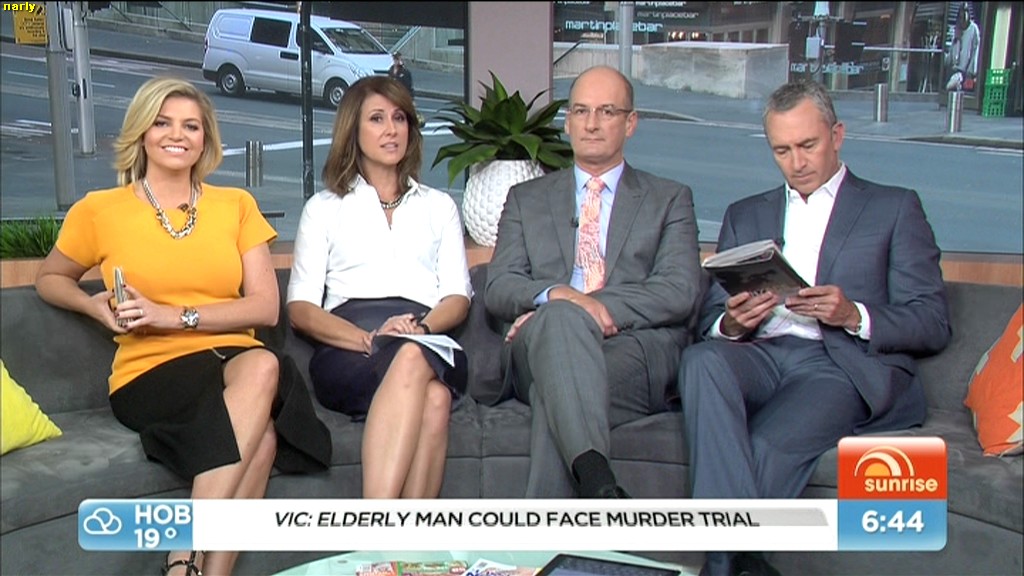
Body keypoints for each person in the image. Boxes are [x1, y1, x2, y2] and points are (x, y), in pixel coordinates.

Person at [34, 77, 331, 576]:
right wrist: (94, 305)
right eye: (163, 123)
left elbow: (265, 308)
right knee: (261, 424)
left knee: (263, 375)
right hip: (150, 373)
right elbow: (49, 278)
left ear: (205, 138)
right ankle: (189, 558)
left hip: (236, 365)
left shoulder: (235, 205)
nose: (177, 135)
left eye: (191, 126)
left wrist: (171, 315)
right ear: (142, 133)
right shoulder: (99, 210)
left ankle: (186, 561)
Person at [678, 80, 951, 576]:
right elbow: (710, 317)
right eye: (782, 150)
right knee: (701, 360)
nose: (797, 162)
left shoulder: (894, 207)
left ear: (837, 135)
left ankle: (719, 566)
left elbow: (932, 320)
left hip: (836, 365)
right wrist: (731, 323)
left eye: (808, 145)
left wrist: (853, 315)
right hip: (757, 355)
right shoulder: (745, 213)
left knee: (764, 446)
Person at [484, 65, 701, 499]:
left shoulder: (669, 198)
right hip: (540, 344)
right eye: (580, 111)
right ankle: (598, 492)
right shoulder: (526, 199)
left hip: (633, 349)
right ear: (567, 123)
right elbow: (499, 287)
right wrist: (560, 296)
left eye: (606, 111)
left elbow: (679, 290)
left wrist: (589, 306)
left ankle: (585, 494)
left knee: (556, 393)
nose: (591, 123)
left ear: (630, 123)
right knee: (560, 323)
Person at [287, 76, 471, 499]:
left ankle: (380, 534)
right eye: (376, 119)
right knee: (434, 399)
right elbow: (301, 310)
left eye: (399, 118)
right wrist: (371, 339)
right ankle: (385, 529)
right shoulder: (323, 209)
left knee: (417, 362)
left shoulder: (439, 206)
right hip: (350, 348)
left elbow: (457, 297)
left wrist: (419, 331)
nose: (391, 129)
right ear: (352, 130)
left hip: (426, 336)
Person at [946, 2, 980, 92]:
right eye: (961, 17)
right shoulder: (957, 30)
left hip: (967, 71)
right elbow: (951, 54)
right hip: (955, 69)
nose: (963, 20)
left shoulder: (973, 29)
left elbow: (975, 51)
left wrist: (971, 71)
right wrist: (956, 40)